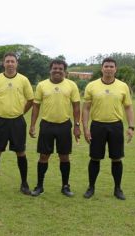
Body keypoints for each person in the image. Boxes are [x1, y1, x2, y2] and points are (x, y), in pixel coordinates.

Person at [82, 57, 135, 200]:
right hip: (97, 125)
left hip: (116, 125)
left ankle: (118, 189)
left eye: (112, 66)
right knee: (95, 158)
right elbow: (86, 108)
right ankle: (91, 187)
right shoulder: (92, 86)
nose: (109, 69)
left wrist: (131, 126)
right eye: (106, 66)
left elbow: (128, 107)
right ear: (102, 68)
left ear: (115, 69)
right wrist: (85, 128)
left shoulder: (123, 86)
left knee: (117, 158)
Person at [29, 59, 81, 197]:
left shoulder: (71, 85)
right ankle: (39, 186)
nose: (57, 71)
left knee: (64, 156)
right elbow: (36, 106)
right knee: (43, 156)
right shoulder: (41, 85)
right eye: (55, 68)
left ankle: (65, 186)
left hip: (64, 125)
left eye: (60, 69)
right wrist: (32, 125)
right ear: (50, 70)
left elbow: (76, 107)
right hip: (47, 125)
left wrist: (77, 126)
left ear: (65, 71)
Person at [0, 52, 34, 195]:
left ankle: (24, 184)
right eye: (8, 61)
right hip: (0, 120)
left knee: (21, 152)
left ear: (17, 63)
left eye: (13, 61)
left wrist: (20, 112)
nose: (10, 64)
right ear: (3, 63)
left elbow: (30, 100)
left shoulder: (23, 80)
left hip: (17, 121)